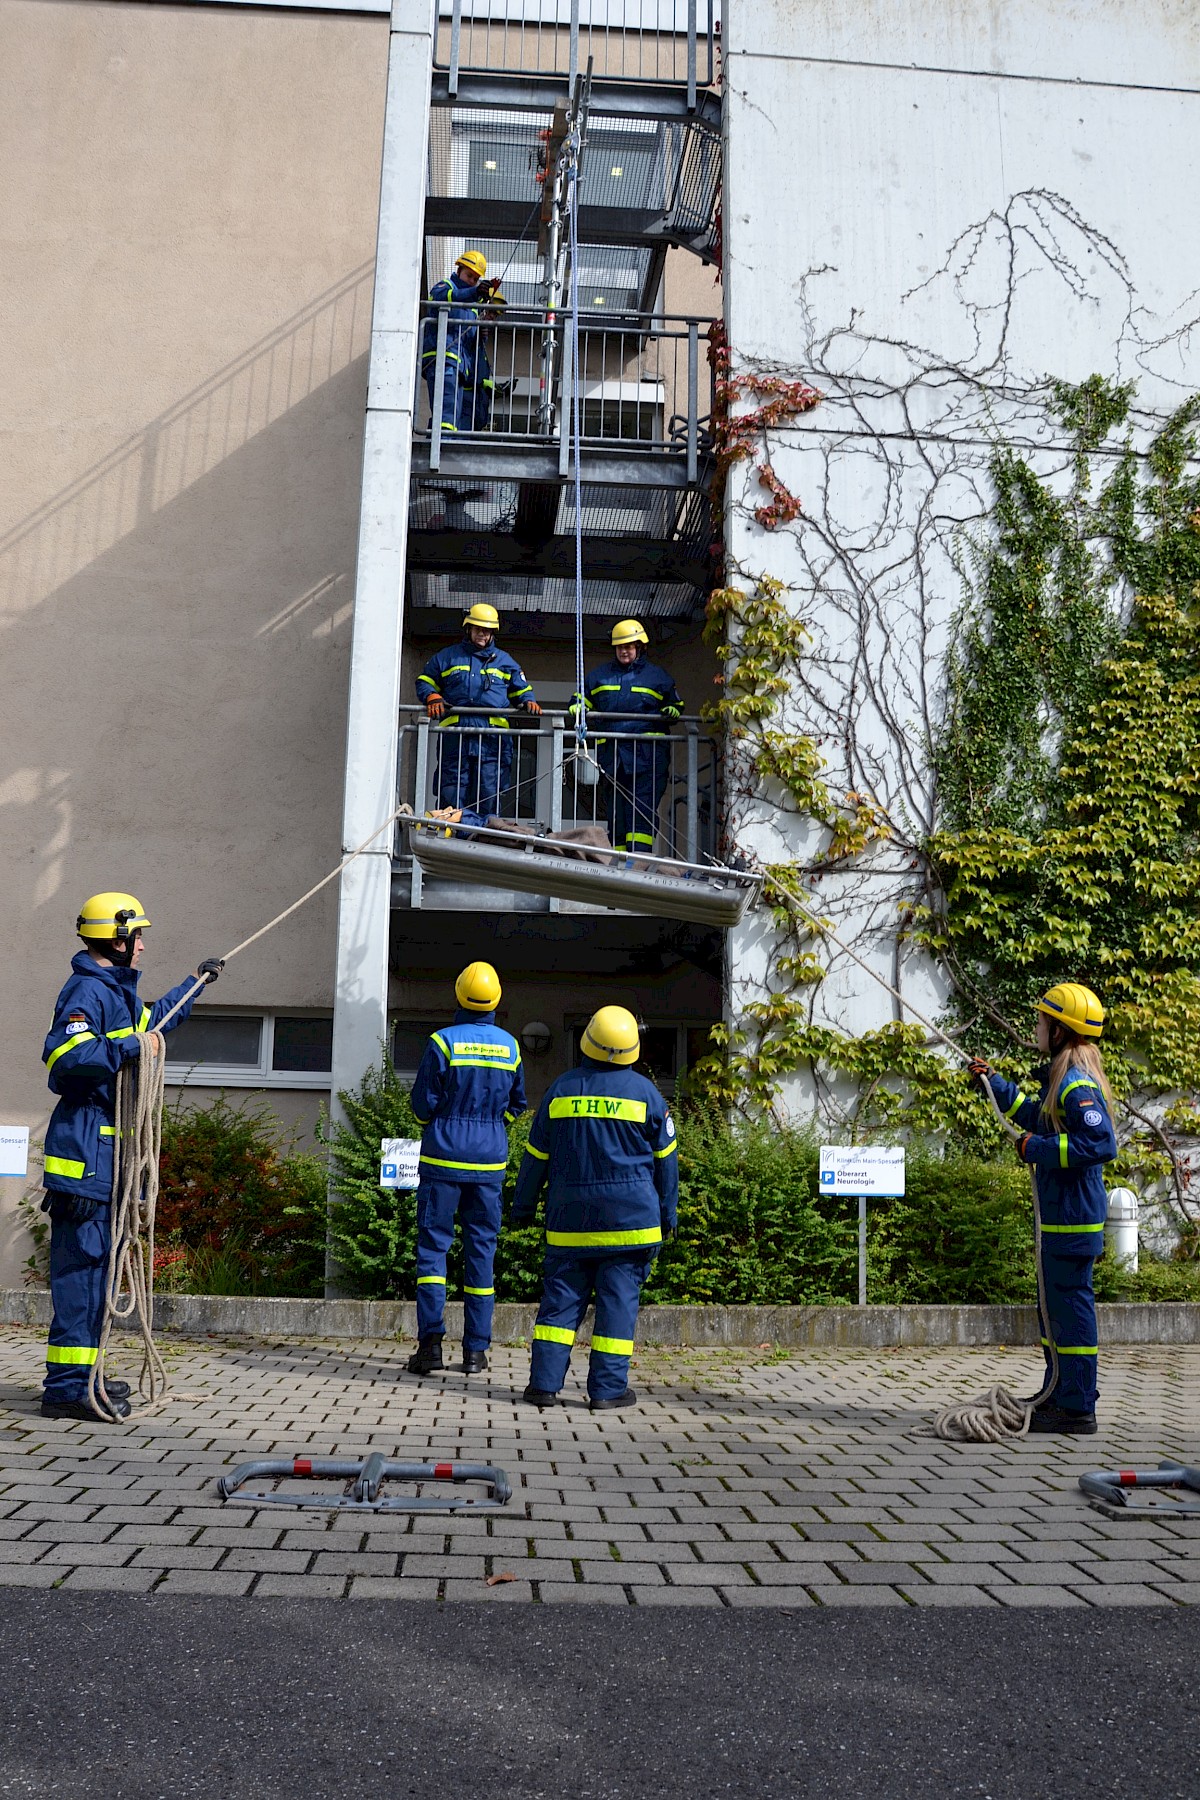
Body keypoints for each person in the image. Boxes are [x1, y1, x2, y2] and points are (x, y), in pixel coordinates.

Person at [40, 893, 223, 1422]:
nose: (142, 944)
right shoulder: (86, 991)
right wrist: (129, 1049)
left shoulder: (116, 993)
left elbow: (152, 1027)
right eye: (136, 935)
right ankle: (68, 1387)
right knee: (81, 1275)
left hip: (109, 1161)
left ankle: (85, 1377)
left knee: (99, 1274)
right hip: (85, 1164)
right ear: (114, 940)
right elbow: (66, 1059)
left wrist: (194, 984)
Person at [509, 1005, 677, 1410]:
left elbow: (535, 1158)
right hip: (631, 1226)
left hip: (570, 1224)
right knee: (618, 1309)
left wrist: (522, 1208)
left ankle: (544, 1387)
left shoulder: (562, 1090)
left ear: (588, 1041)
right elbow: (666, 1166)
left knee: (560, 1303)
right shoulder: (647, 1096)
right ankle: (606, 1391)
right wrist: (667, 1216)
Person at [968, 982, 1117, 1436]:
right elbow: (1036, 1116)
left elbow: (1100, 1142)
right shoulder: (1062, 1076)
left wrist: (1038, 1149)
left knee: (1069, 1313)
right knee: (1054, 1313)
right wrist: (994, 1084)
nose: (1036, 1027)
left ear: (1058, 1031)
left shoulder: (1077, 1083)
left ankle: (1075, 1409)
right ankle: (1058, 1393)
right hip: (1062, 1220)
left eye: (1041, 1021)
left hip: (1073, 1221)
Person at [407, 961, 526, 1377]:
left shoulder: (442, 1042)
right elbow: (517, 1105)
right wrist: (493, 1129)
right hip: (490, 1164)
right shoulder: (510, 1046)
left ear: (459, 994)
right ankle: (476, 1352)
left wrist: (440, 1125)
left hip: (442, 1160)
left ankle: (430, 1348)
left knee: (433, 1252)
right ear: (496, 999)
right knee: (482, 1254)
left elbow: (422, 1104)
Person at [416, 603, 541, 814]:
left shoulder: (505, 661)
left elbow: (520, 689)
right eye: (478, 629)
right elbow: (424, 681)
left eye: (487, 630)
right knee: (451, 790)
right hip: (456, 736)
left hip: (493, 740)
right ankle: (450, 839)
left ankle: (483, 840)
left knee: (489, 791)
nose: (482, 634)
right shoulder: (448, 657)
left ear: (493, 633)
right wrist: (431, 695)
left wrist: (528, 700)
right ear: (469, 629)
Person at [575, 620, 683, 854]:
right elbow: (580, 698)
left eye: (630, 646)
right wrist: (578, 707)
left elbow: (675, 703)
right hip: (613, 757)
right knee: (616, 812)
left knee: (641, 811)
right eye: (620, 646)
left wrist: (673, 711)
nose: (624, 651)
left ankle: (639, 861)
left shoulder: (657, 677)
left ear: (640, 647)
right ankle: (619, 860)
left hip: (648, 757)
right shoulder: (599, 676)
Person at [419, 248, 497, 435]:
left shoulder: (473, 307)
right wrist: (474, 291)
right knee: (446, 410)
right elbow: (441, 298)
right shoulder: (445, 286)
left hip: (460, 365)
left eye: (475, 279)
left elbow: (469, 340)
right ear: (459, 269)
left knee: (454, 411)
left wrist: (481, 331)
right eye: (469, 275)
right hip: (442, 358)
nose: (471, 280)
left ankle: (447, 440)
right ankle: (442, 443)